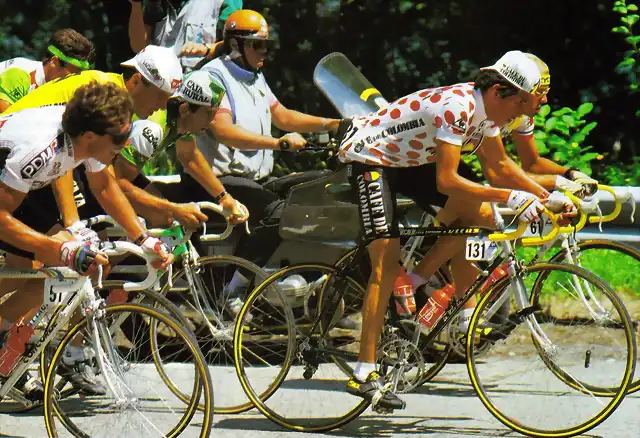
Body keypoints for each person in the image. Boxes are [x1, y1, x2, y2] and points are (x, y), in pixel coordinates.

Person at [335, 51, 575, 409]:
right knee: (385, 260)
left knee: (475, 215)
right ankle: (363, 371)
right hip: (372, 157)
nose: (522, 116)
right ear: (498, 91)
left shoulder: (489, 113)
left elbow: (500, 167)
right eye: (520, 105)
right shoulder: (457, 107)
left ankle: (427, 288)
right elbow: (448, 181)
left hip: (410, 160)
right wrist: (514, 196)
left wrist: (547, 196)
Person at [0, 45, 182, 395]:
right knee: (57, 258)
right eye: (119, 142)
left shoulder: (95, 133)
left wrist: (142, 239)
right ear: (91, 138)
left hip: (26, 180)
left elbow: (103, 184)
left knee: (66, 268)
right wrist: (63, 248)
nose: (123, 147)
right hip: (14, 174)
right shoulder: (44, 149)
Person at [185, 9, 341, 315]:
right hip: (219, 181)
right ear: (235, 45)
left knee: (320, 186)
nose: (264, 52)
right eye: (258, 45)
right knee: (278, 210)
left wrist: (333, 123)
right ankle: (233, 290)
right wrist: (278, 142)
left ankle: (314, 283)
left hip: (253, 180)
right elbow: (224, 131)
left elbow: (281, 115)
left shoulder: (254, 77)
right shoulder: (213, 77)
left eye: (266, 45)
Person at [72, 69, 248, 232]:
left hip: (114, 172)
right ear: (185, 109)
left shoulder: (181, 123)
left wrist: (224, 197)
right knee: (153, 222)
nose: (212, 121)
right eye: (209, 114)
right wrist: (173, 208)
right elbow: (118, 183)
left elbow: (190, 156)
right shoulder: (153, 129)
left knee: (165, 219)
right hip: (88, 173)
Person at [499, 54, 599, 196]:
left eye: (547, 92)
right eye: (540, 92)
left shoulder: (523, 117)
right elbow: (498, 172)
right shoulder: (491, 113)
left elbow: (532, 164)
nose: (545, 99)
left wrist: (571, 174)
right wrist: (557, 182)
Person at [128, 0, 243, 70]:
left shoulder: (226, 1)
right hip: (159, 87)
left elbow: (236, 47)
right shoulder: (155, 4)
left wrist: (207, 50)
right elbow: (138, 47)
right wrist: (136, 5)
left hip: (200, 92)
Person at [0, 28, 95, 112]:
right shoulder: (19, 75)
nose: (76, 79)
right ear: (54, 62)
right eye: (74, 72)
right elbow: (5, 120)